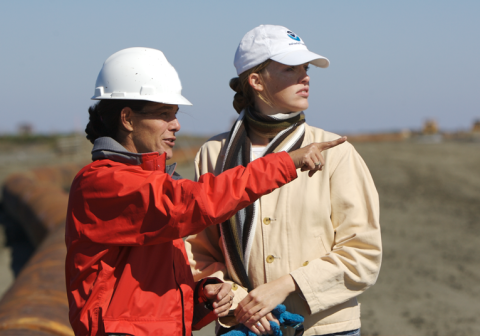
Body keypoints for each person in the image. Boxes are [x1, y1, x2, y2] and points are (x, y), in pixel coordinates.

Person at [65, 47, 346, 336]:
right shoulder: (103, 184)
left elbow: (146, 288)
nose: (176, 125)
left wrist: (201, 295)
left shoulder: (146, 184)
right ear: (127, 118)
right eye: (164, 114)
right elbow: (194, 203)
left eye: (174, 114)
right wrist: (287, 161)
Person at [185, 25, 382, 336]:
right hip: (242, 327)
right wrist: (236, 300)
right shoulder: (214, 155)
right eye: (291, 68)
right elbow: (198, 250)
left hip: (325, 329)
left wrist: (284, 287)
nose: (306, 77)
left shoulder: (337, 153)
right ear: (256, 80)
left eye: (305, 68)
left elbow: (363, 253)